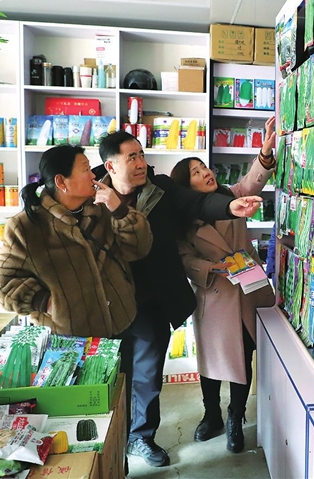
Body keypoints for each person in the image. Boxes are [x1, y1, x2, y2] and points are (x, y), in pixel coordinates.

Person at [94, 131, 262, 467]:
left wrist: (230, 206)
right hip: (107, 302)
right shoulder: (92, 196)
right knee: (110, 376)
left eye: (142, 155)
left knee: (147, 375)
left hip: (151, 298)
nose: (141, 163)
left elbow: (197, 202)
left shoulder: (160, 189)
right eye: (131, 157)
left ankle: (142, 438)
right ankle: (111, 445)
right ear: (110, 166)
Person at [169, 116, 277, 454]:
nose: (206, 173)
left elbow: (253, 180)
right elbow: (183, 257)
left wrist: (264, 152)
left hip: (247, 291)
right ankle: (211, 414)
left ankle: (235, 417)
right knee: (212, 362)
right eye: (196, 172)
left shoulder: (232, 195)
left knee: (244, 356)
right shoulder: (184, 221)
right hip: (214, 295)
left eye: (204, 167)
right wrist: (209, 267)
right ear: (186, 186)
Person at [0, 144, 152, 338]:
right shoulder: (26, 227)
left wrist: (120, 210)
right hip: (68, 336)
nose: (93, 175)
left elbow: (139, 248)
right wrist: (46, 303)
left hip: (120, 321)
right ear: (61, 181)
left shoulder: (102, 208)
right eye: (85, 170)